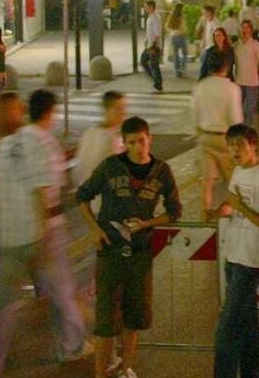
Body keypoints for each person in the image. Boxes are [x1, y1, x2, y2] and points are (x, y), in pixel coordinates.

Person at [0, 94, 90, 377]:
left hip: (7, 238)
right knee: (61, 292)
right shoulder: (35, 141)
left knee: (3, 306)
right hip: (40, 232)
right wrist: (42, 233)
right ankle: (72, 346)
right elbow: (41, 191)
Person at [78, 116, 182, 378]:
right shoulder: (110, 167)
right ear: (123, 143)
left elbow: (174, 211)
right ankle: (101, 373)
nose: (137, 147)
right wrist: (96, 229)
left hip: (140, 254)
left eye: (142, 141)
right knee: (105, 319)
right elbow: (83, 196)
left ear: (150, 139)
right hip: (111, 252)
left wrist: (148, 223)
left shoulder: (161, 171)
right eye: (132, 142)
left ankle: (127, 368)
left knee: (134, 316)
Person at [213, 124, 259, 378]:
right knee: (248, 325)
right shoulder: (239, 171)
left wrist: (240, 206)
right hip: (233, 254)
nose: (234, 150)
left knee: (228, 326)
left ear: (254, 145)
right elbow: (231, 204)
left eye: (239, 144)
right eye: (230, 145)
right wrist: (220, 210)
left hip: (251, 260)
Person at [193, 52, 244, 221]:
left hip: (205, 137)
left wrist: (199, 134)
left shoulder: (199, 87)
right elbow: (236, 119)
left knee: (207, 182)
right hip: (225, 139)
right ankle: (232, 215)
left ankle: (205, 216)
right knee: (233, 181)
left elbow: (194, 116)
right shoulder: (232, 89)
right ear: (227, 67)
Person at [76, 91, 127, 189]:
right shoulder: (94, 135)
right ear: (107, 110)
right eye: (118, 109)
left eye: (124, 108)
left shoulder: (90, 133)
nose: (123, 113)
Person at [235, 19, 259, 129]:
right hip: (239, 81)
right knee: (238, 109)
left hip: (252, 82)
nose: (244, 30)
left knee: (250, 110)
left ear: (251, 30)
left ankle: (248, 130)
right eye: (242, 27)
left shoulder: (256, 45)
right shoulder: (236, 45)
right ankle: (239, 129)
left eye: (247, 27)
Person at [142, 0, 164, 92]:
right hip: (149, 45)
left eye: (146, 6)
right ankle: (156, 79)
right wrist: (147, 39)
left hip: (154, 46)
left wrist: (154, 47)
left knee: (154, 65)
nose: (145, 8)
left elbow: (157, 34)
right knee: (144, 61)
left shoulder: (155, 18)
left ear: (151, 7)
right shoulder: (151, 16)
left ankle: (158, 84)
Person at [167, 2, 188, 78]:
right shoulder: (182, 17)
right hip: (181, 36)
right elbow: (183, 28)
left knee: (176, 54)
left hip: (173, 36)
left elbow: (168, 27)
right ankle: (182, 69)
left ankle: (177, 71)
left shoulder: (172, 15)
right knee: (185, 53)